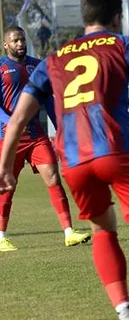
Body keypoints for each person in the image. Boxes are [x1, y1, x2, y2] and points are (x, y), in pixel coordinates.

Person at [0, 0, 129, 320]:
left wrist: (4, 165)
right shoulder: (123, 43)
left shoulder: (55, 57)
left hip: (75, 162)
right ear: (116, 17)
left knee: (104, 230)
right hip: (117, 150)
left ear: (86, 17)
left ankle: (125, 311)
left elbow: (19, 116)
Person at [0, 26, 90, 252]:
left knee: (53, 177)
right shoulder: (0, 68)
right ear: (5, 45)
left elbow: (49, 100)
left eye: (22, 39)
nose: (20, 43)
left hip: (35, 135)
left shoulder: (38, 65)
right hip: (9, 138)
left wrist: (60, 128)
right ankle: (1, 237)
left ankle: (69, 232)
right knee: (7, 186)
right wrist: (7, 122)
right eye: (15, 41)